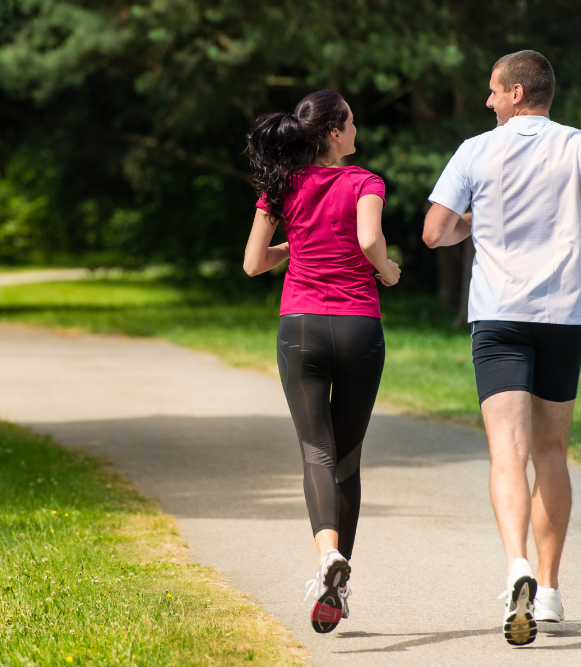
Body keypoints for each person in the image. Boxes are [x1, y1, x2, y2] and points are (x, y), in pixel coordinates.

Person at [422, 50, 581, 646]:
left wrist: (476, 223)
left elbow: (435, 230)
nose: (487, 101)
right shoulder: (580, 142)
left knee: (506, 453)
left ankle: (515, 564)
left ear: (517, 93)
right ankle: (550, 589)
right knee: (552, 452)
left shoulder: (474, 151)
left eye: (493, 91)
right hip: (564, 315)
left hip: (498, 319)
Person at [243, 89, 401, 634]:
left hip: (301, 329)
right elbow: (368, 237)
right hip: (359, 328)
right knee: (348, 457)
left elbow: (251, 264)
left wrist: (296, 247)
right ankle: (339, 581)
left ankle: (327, 557)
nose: (356, 131)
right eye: (351, 123)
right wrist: (386, 270)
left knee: (316, 450)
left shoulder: (280, 187)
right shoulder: (365, 182)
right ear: (334, 132)